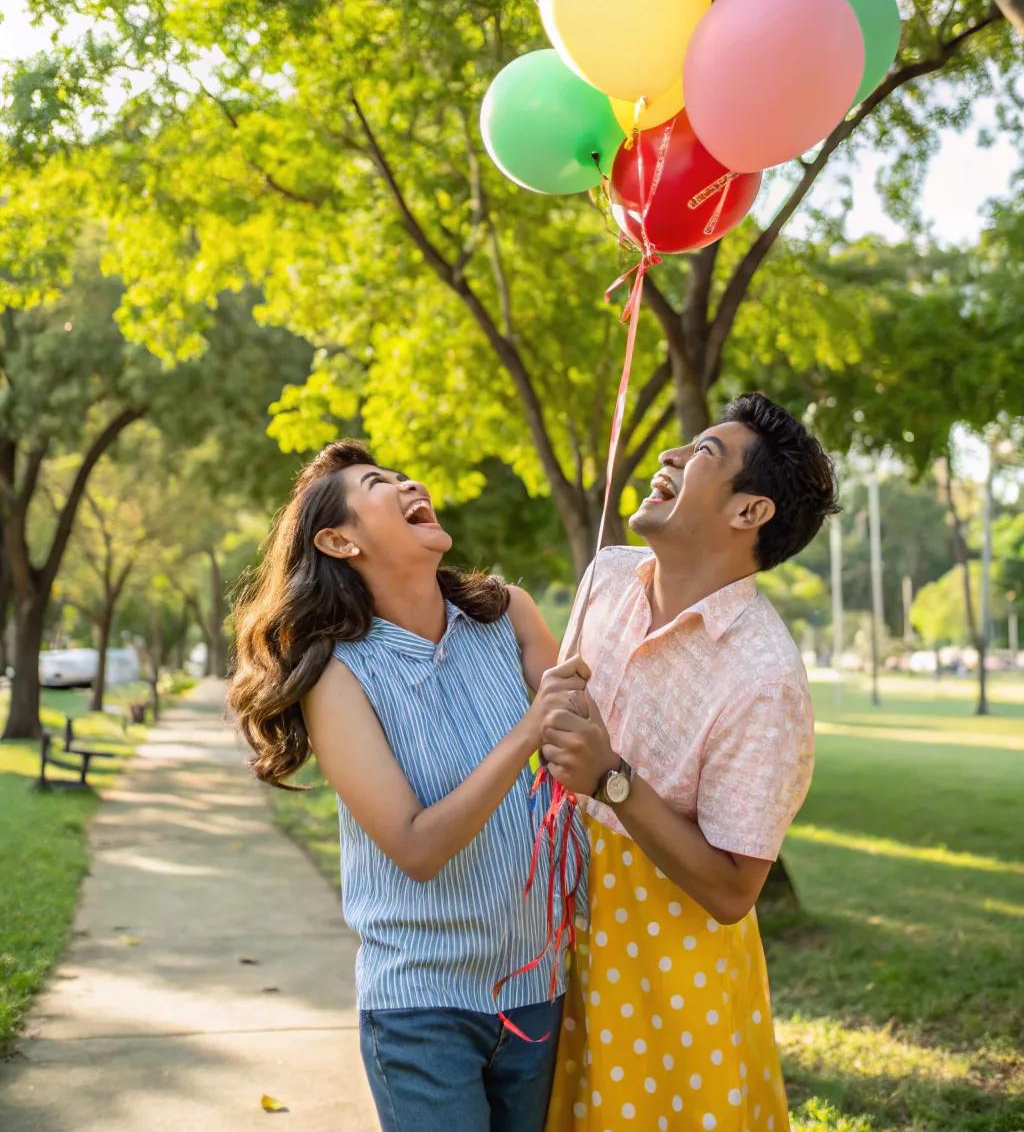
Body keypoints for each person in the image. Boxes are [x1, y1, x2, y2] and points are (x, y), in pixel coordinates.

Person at [228, 439, 588, 1132]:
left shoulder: (507, 613)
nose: (408, 484)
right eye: (377, 484)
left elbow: (583, 744)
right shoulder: (339, 679)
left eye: (402, 475)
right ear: (339, 540)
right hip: (423, 1008)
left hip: (540, 988)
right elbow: (415, 847)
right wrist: (524, 735)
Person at [541, 392, 840, 1132]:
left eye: (704, 452)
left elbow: (735, 890)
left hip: (668, 975)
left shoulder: (765, 678)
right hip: (549, 930)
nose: (670, 457)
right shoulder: (606, 576)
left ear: (750, 512)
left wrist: (612, 779)